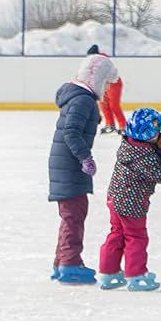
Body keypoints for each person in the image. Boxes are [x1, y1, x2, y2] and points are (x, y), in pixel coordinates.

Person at [48, 53, 118, 285]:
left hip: (66, 164)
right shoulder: (82, 100)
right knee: (74, 216)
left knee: (71, 214)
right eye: (106, 82)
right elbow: (71, 132)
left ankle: (62, 263)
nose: (107, 88)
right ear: (96, 78)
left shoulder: (80, 97)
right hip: (70, 165)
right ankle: (70, 265)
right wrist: (85, 157)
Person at [97, 108, 161, 292]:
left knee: (116, 233)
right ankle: (136, 275)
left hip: (114, 198)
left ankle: (108, 272)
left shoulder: (128, 146)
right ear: (151, 134)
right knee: (136, 237)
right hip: (132, 203)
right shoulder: (146, 156)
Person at [87, 45, 126, 135]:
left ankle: (123, 125)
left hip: (113, 83)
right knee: (103, 104)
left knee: (113, 105)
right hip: (103, 84)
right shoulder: (93, 62)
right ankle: (109, 124)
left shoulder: (103, 60)